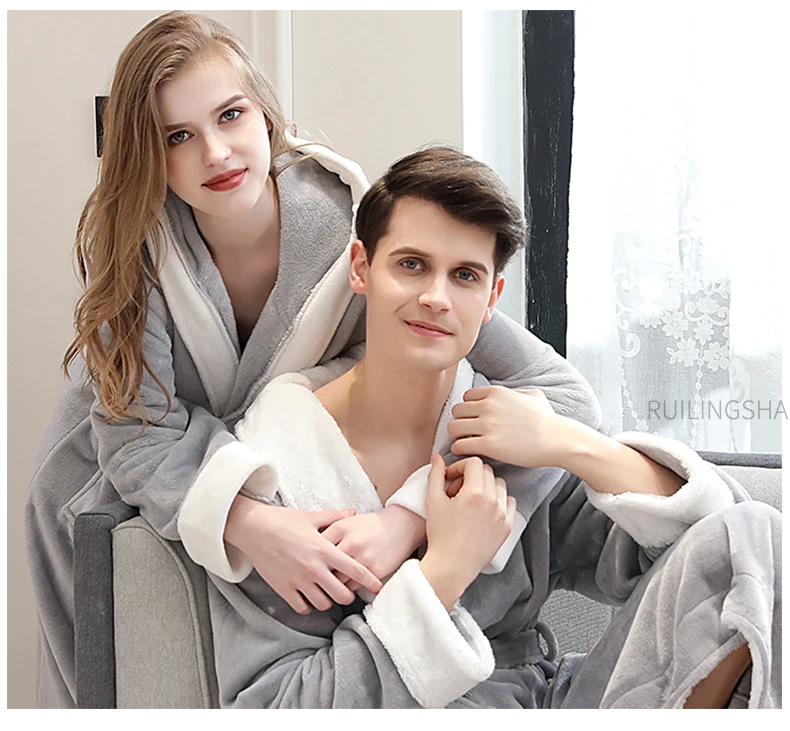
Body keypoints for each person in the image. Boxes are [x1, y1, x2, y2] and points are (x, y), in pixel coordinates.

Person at [23, 11, 602, 708]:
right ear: (148, 154)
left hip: (270, 459)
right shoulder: (137, 255)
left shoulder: (356, 239)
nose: (216, 153)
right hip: (114, 459)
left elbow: (564, 398)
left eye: (230, 115)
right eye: (178, 136)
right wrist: (249, 521)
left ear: (265, 116)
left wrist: (412, 515)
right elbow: (135, 435)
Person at [207, 146, 781, 709]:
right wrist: (445, 571)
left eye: (464, 275)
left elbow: (727, 558)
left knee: (755, 532)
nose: (436, 298)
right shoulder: (277, 469)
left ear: (491, 298)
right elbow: (277, 707)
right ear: (362, 268)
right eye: (411, 265)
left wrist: (564, 441)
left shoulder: (506, 434)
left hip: (551, 702)